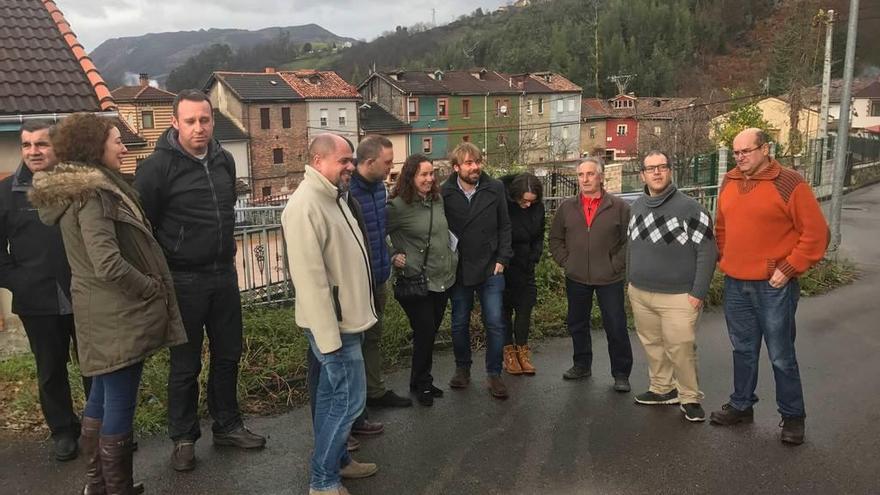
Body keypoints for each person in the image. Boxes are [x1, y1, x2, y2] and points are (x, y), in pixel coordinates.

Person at [29, 112, 187, 495]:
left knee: (101, 394)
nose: (122, 146)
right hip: (117, 313)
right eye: (116, 140)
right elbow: (108, 262)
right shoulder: (95, 194)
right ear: (95, 148)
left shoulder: (81, 191)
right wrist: (149, 287)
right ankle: (115, 488)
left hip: (101, 311)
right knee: (118, 398)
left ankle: (97, 484)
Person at [134, 89, 265, 472]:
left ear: (212, 120)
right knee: (185, 363)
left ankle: (227, 425)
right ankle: (184, 437)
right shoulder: (157, 168)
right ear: (175, 123)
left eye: (204, 120)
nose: (198, 128)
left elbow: (226, 208)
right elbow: (145, 226)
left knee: (228, 355)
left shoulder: (224, 161)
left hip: (223, 275)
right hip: (183, 279)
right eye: (190, 121)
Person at [709, 128, 828, 445]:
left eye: (747, 151)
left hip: (774, 286)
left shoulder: (789, 183)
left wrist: (789, 268)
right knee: (743, 350)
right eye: (736, 152)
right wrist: (726, 258)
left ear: (766, 149)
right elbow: (720, 225)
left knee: (780, 355)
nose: (741, 157)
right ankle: (741, 405)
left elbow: (816, 234)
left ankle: (793, 417)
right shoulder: (730, 181)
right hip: (736, 283)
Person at [283, 133, 379, 495]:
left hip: (347, 322)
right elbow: (310, 282)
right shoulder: (305, 206)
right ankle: (322, 481)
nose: (351, 167)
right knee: (347, 400)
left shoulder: (334, 197)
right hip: (333, 327)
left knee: (330, 398)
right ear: (318, 161)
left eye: (352, 160)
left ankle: (338, 461)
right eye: (344, 161)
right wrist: (329, 340)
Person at [0, 120, 88, 461]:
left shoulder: (76, 186)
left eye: (41, 144)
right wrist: (18, 282)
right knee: (50, 370)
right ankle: (63, 431)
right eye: (26, 145)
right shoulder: (7, 194)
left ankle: (102, 429)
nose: (33, 151)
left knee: (94, 365)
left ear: (56, 148)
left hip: (82, 293)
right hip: (37, 300)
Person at [626, 151, 718, 422]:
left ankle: (689, 396)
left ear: (670, 171)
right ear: (642, 174)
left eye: (662, 167)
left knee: (681, 348)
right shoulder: (637, 206)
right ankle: (662, 389)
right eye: (650, 168)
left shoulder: (691, 208)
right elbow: (630, 246)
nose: (656, 172)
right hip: (641, 292)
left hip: (679, 296)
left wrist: (697, 293)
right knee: (653, 344)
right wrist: (629, 282)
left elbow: (707, 252)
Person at [549, 157, 633, 391]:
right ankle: (582, 365)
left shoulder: (619, 207)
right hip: (576, 277)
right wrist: (567, 262)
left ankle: (621, 373)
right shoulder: (567, 207)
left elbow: (629, 242)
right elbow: (555, 239)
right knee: (577, 323)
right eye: (580, 175)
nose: (585, 179)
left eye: (590, 174)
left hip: (609, 278)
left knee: (615, 325)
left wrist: (614, 265)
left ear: (601, 176)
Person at [349, 135, 410, 440]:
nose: (391, 167)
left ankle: (374, 392)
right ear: (369, 162)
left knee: (373, 337)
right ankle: (355, 408)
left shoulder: (378, 190)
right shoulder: (348, 191)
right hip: (356, 283)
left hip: (378, 278)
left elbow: (379, 233)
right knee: (353, 345)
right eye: (387, 162)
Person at [441, 142, 513, 399]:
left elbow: (505, 226)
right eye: (469, 163)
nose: (475, 167)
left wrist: (503, 258)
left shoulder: (494, 188)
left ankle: (494, 374)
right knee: (459, 322)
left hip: (491, 267)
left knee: (494, 322)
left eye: (478, 162)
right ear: (456, 167)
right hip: (460, 269)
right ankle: (463, 369)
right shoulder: (445, 193)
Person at [387, 154, 457, 406]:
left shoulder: (437, 200)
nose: (429, 179)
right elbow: (373, 234)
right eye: (423, 175)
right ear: (410, 177)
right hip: (417, 280)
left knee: (428, 332)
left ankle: (419, 380)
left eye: (431, 174)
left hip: (442, 277)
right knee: (425, 331)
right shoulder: (397, 206)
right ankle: (422, 384)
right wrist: (392, 254)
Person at [499, 173, 545, 375]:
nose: (527, 205)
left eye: (531, 201)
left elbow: (539, 234)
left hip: (526, 267)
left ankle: (522, 351)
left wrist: (535, 255)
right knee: (504, 313)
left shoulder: (537, 207)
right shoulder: (504, 205)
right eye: (523, 201)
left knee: (525, 311)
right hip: (505, 268)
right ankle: (508, 353)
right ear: (515, 195)